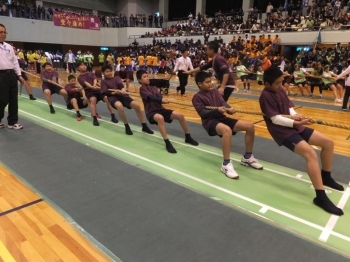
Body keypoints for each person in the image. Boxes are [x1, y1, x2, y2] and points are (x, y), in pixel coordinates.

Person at [259, 66, 344, 216]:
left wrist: (297, 116)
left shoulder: (280, 90)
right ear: (267, 84)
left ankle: (326, 177)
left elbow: (289, 108)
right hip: (282, 131)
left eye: (281, 82)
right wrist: (297, 123)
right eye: (278, 83)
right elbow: (275, 119)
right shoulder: (265, 96)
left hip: (294, 125)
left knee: (328, 143)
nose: (281, 85)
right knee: (310, 154)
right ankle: (321, 197)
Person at [193, 71, 263, 179]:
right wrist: (217, 111)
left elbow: (222, 103)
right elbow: (203, 113)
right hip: (210, 122)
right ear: (199, 84)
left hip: (221, 118)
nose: (211, 83)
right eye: (207, 82)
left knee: (250, 126)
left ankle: (247, 157)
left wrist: (229, 109)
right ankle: (226, 164)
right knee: (227, 130)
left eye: (211, 81)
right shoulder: (197, 97)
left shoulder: (215, 91)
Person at [137, 70, 198, 153]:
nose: (147, 78)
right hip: (151, 112)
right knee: (160, 118)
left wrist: (162, 98)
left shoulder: (154, 87)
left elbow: (158, 95)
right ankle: (167, 143)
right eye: (144, 77)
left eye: (147, 76)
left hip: (161, 109)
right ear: (139, 80)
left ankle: (188, 137)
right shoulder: (142, 89)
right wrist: (160, 100)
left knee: (180, 116)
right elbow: (151, 97)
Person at [101, 65, 153, 135]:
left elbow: (120, 85)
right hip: (112, 97)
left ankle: (144, 126)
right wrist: (114, 92)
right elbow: (105, 92)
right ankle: (127, 126)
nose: (109, 73)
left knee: (137, 105)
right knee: (119, 106)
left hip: (123, 95)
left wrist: (122, 89)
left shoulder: (116, 78)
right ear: (103, 73)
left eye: (110, 71)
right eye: (107, 72)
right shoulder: (103, 82)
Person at [77, 61, 117, 126]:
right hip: (89, 92)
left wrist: (95, 85)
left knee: (107, 99)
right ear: (78, 68)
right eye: (82, 65)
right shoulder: (80, 78)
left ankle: (113, 116)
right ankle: (94, 118)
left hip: (98, 90)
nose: (84, 66)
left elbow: (94, 79)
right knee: (93, 100)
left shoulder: (91, 73)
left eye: (85, 65)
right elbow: (86, 84)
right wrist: (92, 87)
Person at [0, 23, 25, 130]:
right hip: (0, 75)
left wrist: (19, 75)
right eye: (0, 32)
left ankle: (12, 122)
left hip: (11, 75)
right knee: (2, 100)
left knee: (13, 99)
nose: (3, 34)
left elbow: (15, 62)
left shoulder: (9, 46)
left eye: (4, 32)